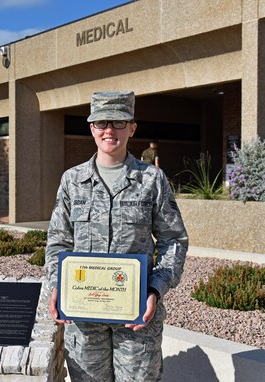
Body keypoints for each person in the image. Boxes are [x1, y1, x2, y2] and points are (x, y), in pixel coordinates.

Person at [44, 91, 188, 382]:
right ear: (92, 129)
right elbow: (59, 240)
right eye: (101, 123)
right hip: (83, 320)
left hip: (135, 318)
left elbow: (174, 240)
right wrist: (57, 283)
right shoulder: (72, 180)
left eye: (119, 122)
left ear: (132, 128)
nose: (109, 130)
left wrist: (155, 289)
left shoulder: (151, 179)